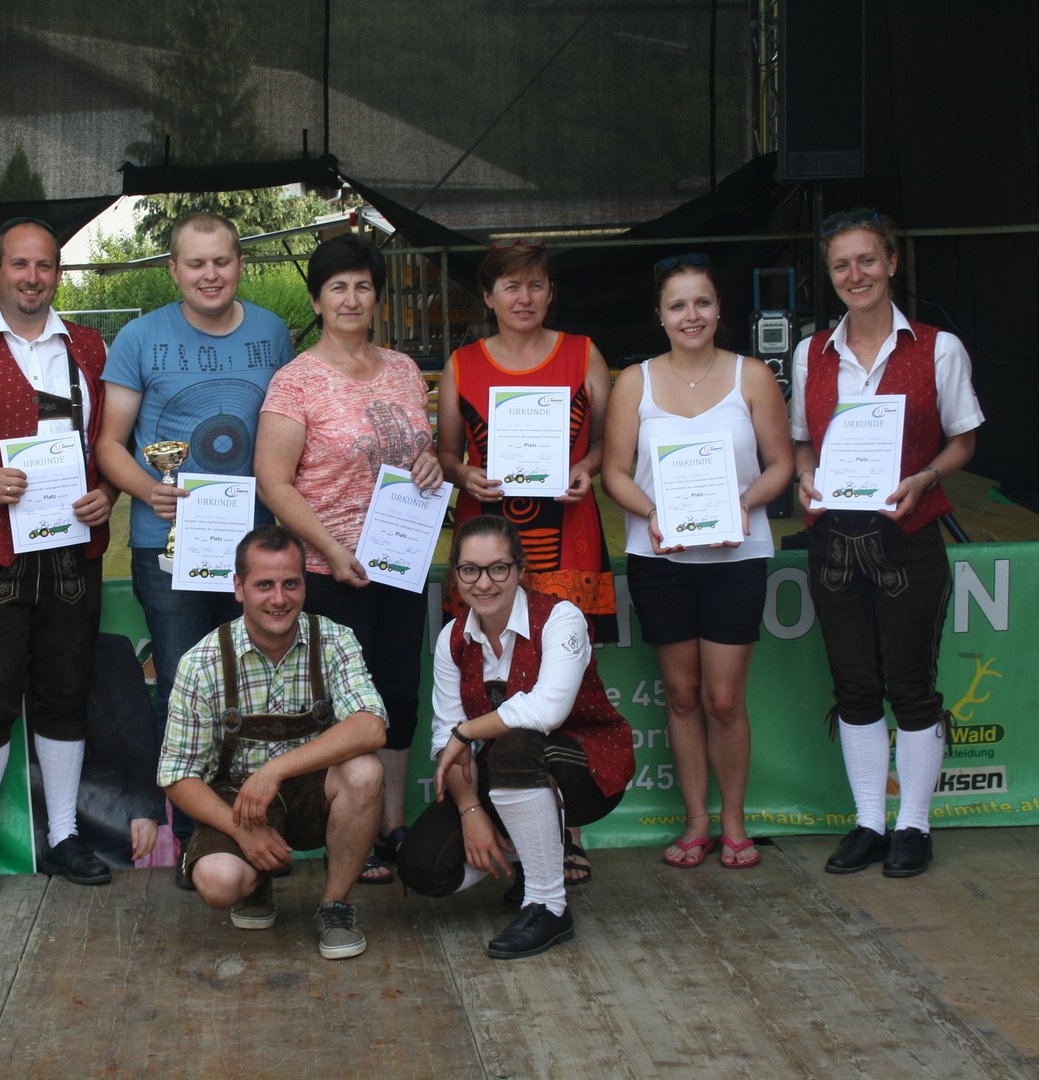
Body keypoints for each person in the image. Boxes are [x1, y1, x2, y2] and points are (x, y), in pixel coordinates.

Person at [0, 216, 149, 899]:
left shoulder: (91, 347)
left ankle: (64, 836)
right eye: (19, 264)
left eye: (44, 266)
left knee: (64, 698)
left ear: (57, 275)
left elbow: (111, 445)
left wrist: (107, 494)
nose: (32, 277)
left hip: (73, 555)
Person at [95, 211, 294, 874]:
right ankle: (190, 837)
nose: (211, 274)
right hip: (170, 545)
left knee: (255, 689)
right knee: (184, 689)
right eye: (196, 263)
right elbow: (110, 444)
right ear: (173, 269)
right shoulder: (139, 338)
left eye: (222, 261)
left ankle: (258, 823)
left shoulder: (272, 332)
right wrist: (146, 489)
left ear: (241, 264)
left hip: (257, 547)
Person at [792, 209, 984, 879]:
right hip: (834, 542)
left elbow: (964, 440)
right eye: (842, 264)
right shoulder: (811, 353)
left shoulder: (939, 348)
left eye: (868, 260)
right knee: (854, 685)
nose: (856, 275)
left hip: (908, 536)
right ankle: (870, 821)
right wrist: (806, 477)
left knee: (910, 685)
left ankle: (914, 825)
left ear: (892, 263)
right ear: (830, 274)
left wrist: (927, 475)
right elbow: (801, 443)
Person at [254, 233, 443, 884]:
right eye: (338, 287)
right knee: (345, 710)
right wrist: (329, 549)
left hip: (401, 564)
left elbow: (420, 449)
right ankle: (347, 839)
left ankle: (391, 825)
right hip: (330, 571)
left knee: (399, 697)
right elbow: (273, 482)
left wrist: (430, 461)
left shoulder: (405, 370)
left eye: (363, 285)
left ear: (377, 296)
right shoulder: (296, 381)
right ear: (317, 300)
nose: (352, 298)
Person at [601, 253, 793, 870]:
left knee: (724, 699)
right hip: (660, 558)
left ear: (719, 310)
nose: (692, 315)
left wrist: (744, 504)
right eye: (678, 304)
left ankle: (734, 822)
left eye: (702, 302)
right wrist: (652, 512)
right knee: (682, 696)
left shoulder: (751, 377)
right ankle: (696, 822)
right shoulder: (634, 382)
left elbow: (782, 465)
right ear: (660, 315)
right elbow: (614, 473)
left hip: (737, 556)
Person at [399, 516, 634, 959]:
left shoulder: (561, 617)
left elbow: (547, 710)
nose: (484, 582)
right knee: (422, 867)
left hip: (587, 771)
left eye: (498, 568)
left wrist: (466, 731)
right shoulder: (453, 637)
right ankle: (532, 855)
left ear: (520, 570)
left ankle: (548, 905)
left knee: (515, 742)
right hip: (507, 777)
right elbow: (446, 740)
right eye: (470, 569)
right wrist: (470, 811)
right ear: (456, 575)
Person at [157, 525, 387, 960]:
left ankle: (335, 906)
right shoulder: (201, 662)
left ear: (305, 585)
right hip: (236, 801)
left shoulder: (334, 639)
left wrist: (275, 772)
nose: (279, 599)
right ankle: (254, 883)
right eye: (264, 585)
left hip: (310, 793)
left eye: (290, 584)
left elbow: (371, 726)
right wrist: (240, 832)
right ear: (239, 588)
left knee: (365, 771)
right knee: (218, 882)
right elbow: (176, 776)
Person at [435, 240, 617, 645]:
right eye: (511, 287)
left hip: (567, 528)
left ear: (551, 293)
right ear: (488, 296)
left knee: (564, 653)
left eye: (536, 286)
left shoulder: (584, 354)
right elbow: (445, 454)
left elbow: (607, 441)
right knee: (484, 656)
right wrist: (463, 474)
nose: (524, 298)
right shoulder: (461, 365)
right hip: (484, 531)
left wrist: (586, 467)